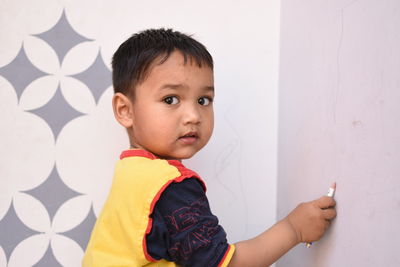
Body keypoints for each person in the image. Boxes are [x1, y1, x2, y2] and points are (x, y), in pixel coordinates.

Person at [82, 28, 336, 267]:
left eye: (204, 100)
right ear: (125, 110)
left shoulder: (132, 171)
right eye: (170, 99)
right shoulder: (170, 186)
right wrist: (294, 228)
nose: (193, 115)